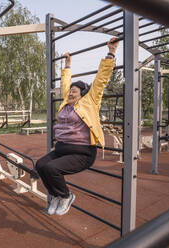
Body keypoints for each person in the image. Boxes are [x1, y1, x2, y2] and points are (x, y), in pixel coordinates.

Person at [35, 37, 119, 216]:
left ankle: (65, 196)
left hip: (82, 152)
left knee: (51, 169)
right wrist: (67, 64)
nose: (70, 93)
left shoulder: (90, 102)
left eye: (74, 91)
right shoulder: (67, 103)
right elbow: (65, 84)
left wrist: (111, 53)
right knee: (41, 164)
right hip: (62, 149)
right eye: (70, 91)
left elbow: (101, 80)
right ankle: (55, 195)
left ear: (82, 94)